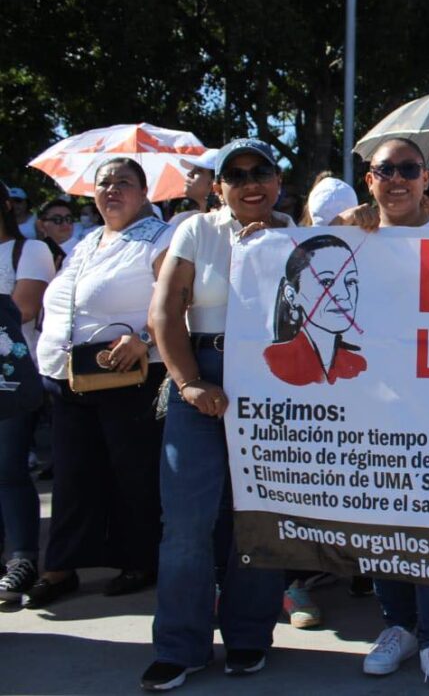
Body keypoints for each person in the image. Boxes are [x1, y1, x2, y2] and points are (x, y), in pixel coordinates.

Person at [142, 139, 290, 692]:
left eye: (261, 172)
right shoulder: (196, 230)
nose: (250, 182)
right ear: (219, 186)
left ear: (278, 181)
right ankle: (181, 645)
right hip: (202, 370)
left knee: (264, 514)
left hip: (274, 381)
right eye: (236, 174)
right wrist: (187, 382)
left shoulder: (298, 235)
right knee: (186, 520)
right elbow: (164, 312)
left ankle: (250, 634)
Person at [333, 137, 429, 696]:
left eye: (408, 169)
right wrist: (343, 220)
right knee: (382, 517)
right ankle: (399, 627)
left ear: (425, 179)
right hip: (369, 403)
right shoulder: (349, 237)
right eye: (384, 170)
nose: (396, 178)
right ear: (370, 180)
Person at [24, 158, 172, 609]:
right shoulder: (87, 241)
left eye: (123, 183)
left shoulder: (160, 237)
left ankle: (139, 559)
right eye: (104, 183)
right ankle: (61, 566)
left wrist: (143, 336)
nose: (112, 190)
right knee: (73, 475)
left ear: (144, 193)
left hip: (129, 373)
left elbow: (177, 296)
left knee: (132, 473)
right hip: (68, 375)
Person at [0, 184, 55, 604]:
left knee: (9, 468)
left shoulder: (30, 250)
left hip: (13, 378)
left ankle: (22, 557)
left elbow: (24, 309)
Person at [262, 234, 365, 386]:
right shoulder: (272, 361)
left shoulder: (358, 365)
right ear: (291, 294)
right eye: (327, 281)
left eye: (350, 281)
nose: (344, 295)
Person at [169, 149, 220, 226]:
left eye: (199, 171)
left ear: (214, 182)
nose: (189, 173)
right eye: (192, 169)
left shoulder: (232, 223)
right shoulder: (180, 220)